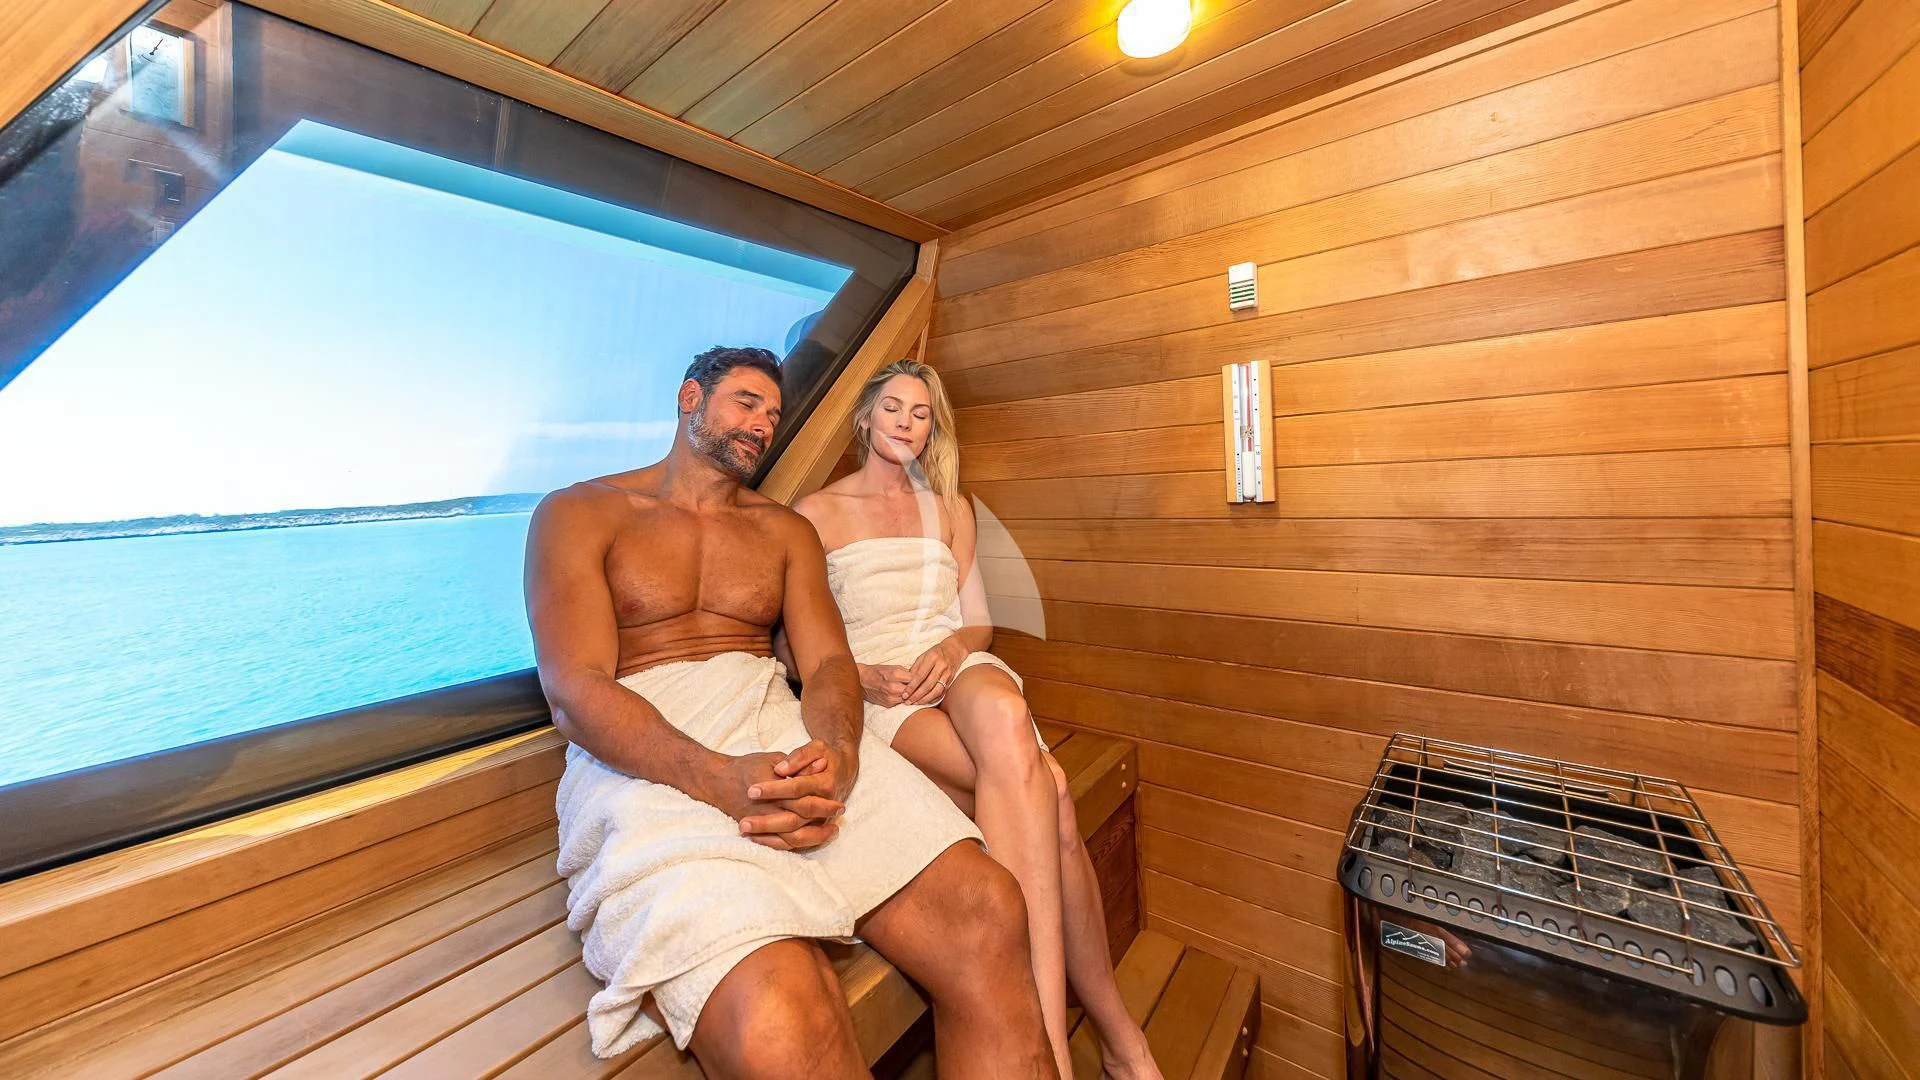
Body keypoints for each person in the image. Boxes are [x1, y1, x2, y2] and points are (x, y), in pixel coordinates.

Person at [524, 346, 1056, 1080]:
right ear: (689, 398)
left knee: (987, 906)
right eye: (746, 402)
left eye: (773, 414)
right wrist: (715, 777)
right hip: (645, 745)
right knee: (784, 1006)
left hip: (773, 718)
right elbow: (574, 692)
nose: (762, 423)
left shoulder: (783, 532)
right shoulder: (580, 512)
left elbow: (830, 664)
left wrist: (838, 754)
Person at [785, 359, 1162, 1080]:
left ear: (933, 429)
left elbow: (980, 623)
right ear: (864, 418)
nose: (905, 421)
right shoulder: (815, 514)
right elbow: (794, 649)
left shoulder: (953, 508)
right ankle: (1107, 1039)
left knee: (1004, 709)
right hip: (886, 693)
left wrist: (952, 647)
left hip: (951, 662)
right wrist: (859, 675)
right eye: (892, 407)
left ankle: (1053, 1045)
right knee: (1047, 795)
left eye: (920, 413)